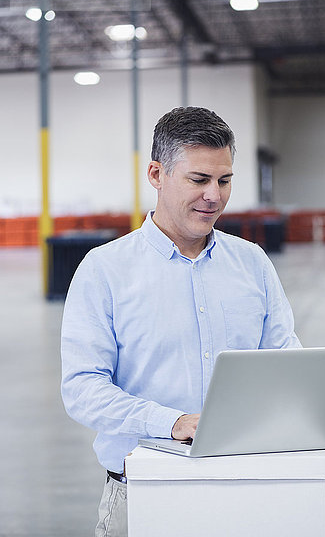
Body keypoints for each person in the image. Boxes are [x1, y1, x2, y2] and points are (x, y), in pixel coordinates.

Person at [61, 106, 301, 536]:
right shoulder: (104, 270)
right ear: (156, 174)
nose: (214, 195)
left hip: (247, 487)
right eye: (199, 180)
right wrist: (170, 422)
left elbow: (287, 363)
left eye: (225, 181)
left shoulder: (252, 263)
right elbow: (82, 389)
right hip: (145, 492)